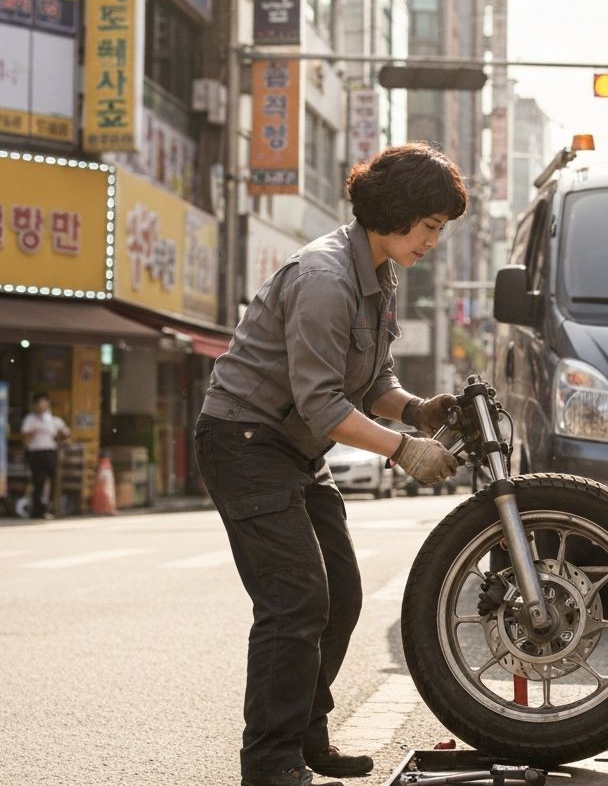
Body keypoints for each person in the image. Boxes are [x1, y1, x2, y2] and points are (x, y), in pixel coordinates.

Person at [196, 142, 468, 786]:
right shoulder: (324, 278)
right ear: (398, 213)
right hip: (244, 442)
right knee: (295, 601)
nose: (433, 240)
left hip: (291, 449)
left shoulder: (378, 273)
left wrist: (420, 411)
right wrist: (406, 450)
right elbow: (323, 404)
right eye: (430, 225)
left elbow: (370, 380)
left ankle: (304, 734)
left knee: (340, 595)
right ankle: (269, 760)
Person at [21, 392, 70, 520]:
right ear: (35, 405)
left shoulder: (53, 419)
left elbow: (64, 434)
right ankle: (37, 510)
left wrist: (62, 435)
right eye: (39, 403)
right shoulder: (30, 419)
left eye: (44, 403)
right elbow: (25, 436)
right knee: (38, 482)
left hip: (50, 452)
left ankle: (51, 507)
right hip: (35, 453)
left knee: (53, 480)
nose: (42, 406)